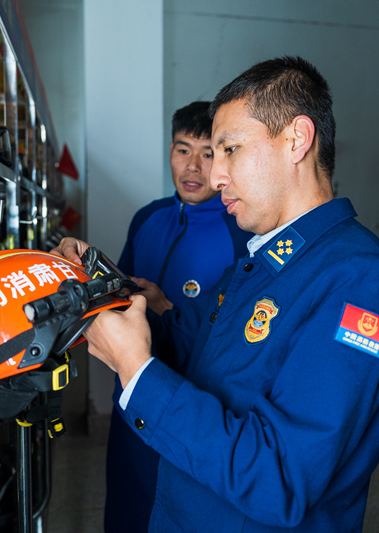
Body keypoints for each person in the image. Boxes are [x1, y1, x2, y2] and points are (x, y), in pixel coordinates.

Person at [54, 56, 379, 532]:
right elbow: (185, 339)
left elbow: (280, 477)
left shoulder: (362, 280)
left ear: (297, 139)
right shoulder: (266, 258)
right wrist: (99, 285)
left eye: (229, 149)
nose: (215, 176)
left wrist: (137, 372)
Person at [106, 101, 253, 532]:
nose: (193, 167)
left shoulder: (242, 231)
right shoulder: (147, 218)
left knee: (178, 511)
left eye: (208, 153)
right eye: (182, 150)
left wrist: (167, 310)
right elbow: (117, 295)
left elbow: (239, 333)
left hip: (194, 404)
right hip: (131, 387)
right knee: (126, 508)